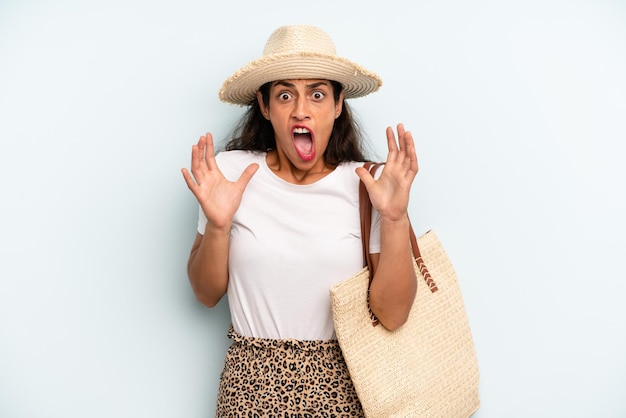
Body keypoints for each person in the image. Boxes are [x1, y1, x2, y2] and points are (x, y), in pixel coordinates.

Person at [181, 24, 418, 417]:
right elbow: (206, 294)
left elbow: (392, 316)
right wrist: (218, 227)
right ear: (264, 105)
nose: (301, 109)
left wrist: (394, 218)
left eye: (318, 94)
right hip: (248, 392)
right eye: (285, 94)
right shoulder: (230, 174)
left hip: (344, 393)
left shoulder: (367, 185)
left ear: (339, 105)